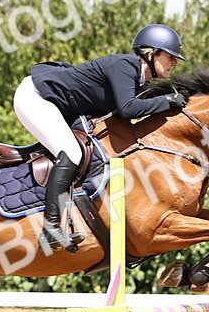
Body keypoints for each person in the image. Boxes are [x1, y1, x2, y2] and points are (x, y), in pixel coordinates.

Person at [13, 23, 188, 252]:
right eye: (170, 56)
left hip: (55, 104)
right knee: (71, 152)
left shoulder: (136, 78)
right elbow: (128, 109)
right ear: (150, 53)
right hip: (35, 97)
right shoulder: (126, 66)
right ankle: (51, 228)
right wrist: (167, 102)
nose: (174, 62)